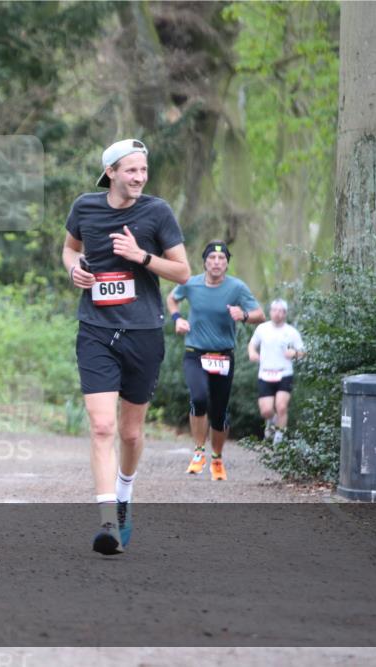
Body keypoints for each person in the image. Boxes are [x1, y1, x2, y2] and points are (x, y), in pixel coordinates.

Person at [63, 139, 190, 555]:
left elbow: (184, 273)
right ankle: (106, 523)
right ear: (111, 172)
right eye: (131, 170)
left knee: (131, 432)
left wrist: (142, 256)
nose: (139, 178)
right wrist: (74, 270)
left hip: (143, 332)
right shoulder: (85, 207)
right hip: (96, 328)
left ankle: (124, 494)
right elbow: (69, 248)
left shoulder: (157, 212)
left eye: (143, 171)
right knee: (102, 427)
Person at [166, 241, 264, 481]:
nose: (217, 263)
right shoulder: (190, 283)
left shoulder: (237, 288)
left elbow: (260, 314)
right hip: (195, 352)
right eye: (212, 259)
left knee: (219, 412)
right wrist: (177, 318)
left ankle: (217, 457)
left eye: (221, 260)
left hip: (222, 356)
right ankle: (199, 452)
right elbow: (172, 299)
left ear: (227, 264)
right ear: (205, 262)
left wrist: (243, 315)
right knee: (198, 399)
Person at [248, 298, 306, 445]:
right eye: (275, 310)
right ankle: (272, 421)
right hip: (265, 373)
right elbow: (252, 345)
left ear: (285, 314)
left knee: (281, 406)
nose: (277, 314)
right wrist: (253, 354)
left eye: (281, 311)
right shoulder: (262, 329)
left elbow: (303, 352)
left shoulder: (291, 332)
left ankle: (279, 439)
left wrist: (294, 353)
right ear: (270, 311)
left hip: (284, 373)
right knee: (266, 411)